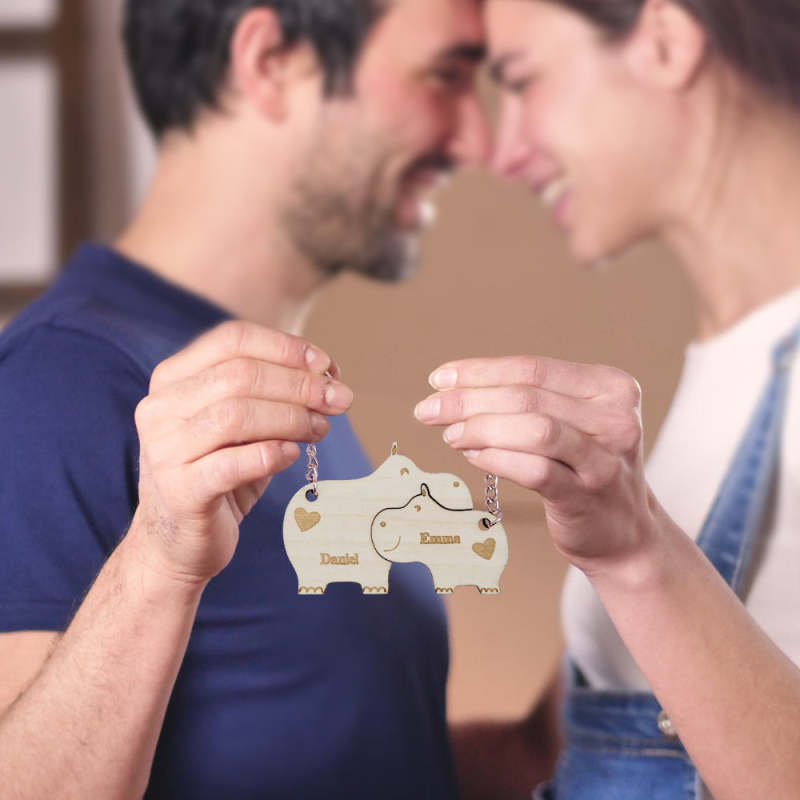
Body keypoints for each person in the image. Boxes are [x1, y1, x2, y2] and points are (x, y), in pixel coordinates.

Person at [0, 2, 522, 798]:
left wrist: (558, 730)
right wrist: (158, 565)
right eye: (444, 75)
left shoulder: (263, 383)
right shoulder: (59, 383)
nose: (476, 142)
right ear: (270, 61)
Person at [415, 0, 800, 797]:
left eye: (523, 81)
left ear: (664, 41)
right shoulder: (721, 368)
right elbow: (546, 752)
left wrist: (637, 559)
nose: (504, 153)